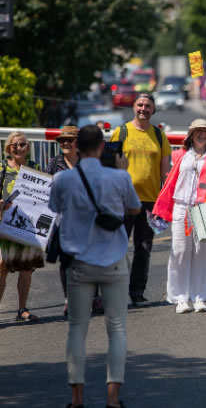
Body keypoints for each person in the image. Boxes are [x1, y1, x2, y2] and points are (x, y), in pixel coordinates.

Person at [49, 125, 141, 408]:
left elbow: (55, 208)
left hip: (79, 262)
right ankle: (113, 399)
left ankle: (77, 400)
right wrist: (122, 170)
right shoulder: (119, 176)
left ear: (76, 147)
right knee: (117, 330)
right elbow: (135, 209)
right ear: (103, 147)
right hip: (113, 260)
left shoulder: (63, 179)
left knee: (77, 329)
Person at [153, 119, 206, 314]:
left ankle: (200, 296)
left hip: (203, 208)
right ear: (191, 135)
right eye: (198, 131)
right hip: (181, 207)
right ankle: (180, 297)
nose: (202, 135)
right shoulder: (179, 155)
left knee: (202, 253)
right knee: (180, 252)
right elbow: (169, 180)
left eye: (205, 132)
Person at [110, 93, 171, 306]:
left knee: (144, 248)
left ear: (153, 110)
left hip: (150, 201)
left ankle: (137, 292)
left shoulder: (158, 134)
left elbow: (165, 171)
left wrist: (165, 200)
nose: (143, 108)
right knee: (117, 247)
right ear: (134, 107)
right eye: (140, 104)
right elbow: (111, 163)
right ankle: (114, 291)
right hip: (123, 200)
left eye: (148, 105)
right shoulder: (122, 131)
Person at [45, 125, 102, 318]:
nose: (66, 143)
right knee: (66, 262)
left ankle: (94, 297)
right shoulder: (54, 163)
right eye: (62, 140)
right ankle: (69, 300)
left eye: (70, 139)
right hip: (63, 222)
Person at [0, 132, 44, 321]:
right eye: (14, 145)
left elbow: (44, 195)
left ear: (28, 147)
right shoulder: (2, 168)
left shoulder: (35, 168)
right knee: (1, 266)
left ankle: (22, 310)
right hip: (5, 225)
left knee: (26, 268)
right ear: (8, 148)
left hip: (28, 227)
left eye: (21, 144)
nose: (17, 147)